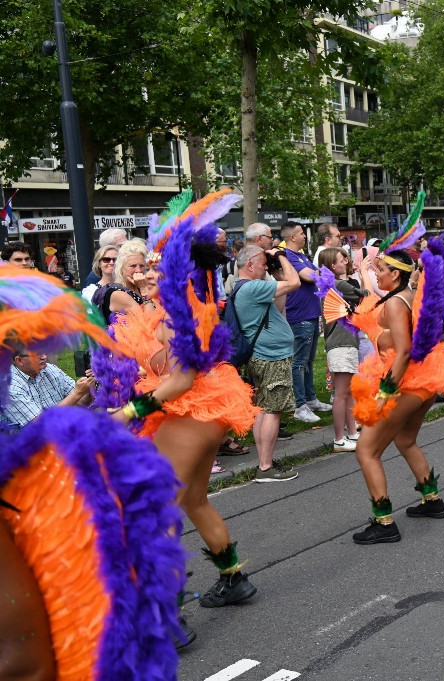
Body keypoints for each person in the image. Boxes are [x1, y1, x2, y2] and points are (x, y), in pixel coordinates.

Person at [0, 264, 185, 674]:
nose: (42, 352)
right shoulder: (12, 385)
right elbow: (44, 430)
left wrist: (119, 398)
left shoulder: (41, 370)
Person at [109, 189, 263, 618]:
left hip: (193, 407)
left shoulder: (180, 311)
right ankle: (233, 577)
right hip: (209, 407)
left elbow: (180, 379)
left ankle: (166, 614)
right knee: (194, 499)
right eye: (146, 267)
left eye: (157, 265)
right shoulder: (182, 303)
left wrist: (130, 410)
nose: (147, 272)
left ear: (178, 267)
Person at [349, 209, 444, 545]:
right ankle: (432, 500)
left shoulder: (395, 304)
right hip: (426, 382)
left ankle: (384, 522)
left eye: (380, 269)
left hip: (406, 384)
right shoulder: (407, 297)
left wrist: (385, 390)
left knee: (366, 450)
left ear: (395, 273)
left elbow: (405, 351)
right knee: (405, 440)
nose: (377, 274)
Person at [234, 244, 301, 481]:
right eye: (262, 263)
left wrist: (275, 272)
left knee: (263, 409)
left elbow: (281, 301)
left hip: (263, 355)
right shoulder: (252, 287)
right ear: (249, 264)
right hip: (271, 357)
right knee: (274, 410)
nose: (265, 266)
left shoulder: (246, 287)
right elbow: (295, 282)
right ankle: (265, 467)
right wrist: (282, 256)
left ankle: (265, 460)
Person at [281, 222, 332, 423]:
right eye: (302, 233)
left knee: (309, 362)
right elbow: (309, 276)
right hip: (299, 317)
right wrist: (324, 275)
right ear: (292, 237)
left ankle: (310, 399)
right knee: (299, 363)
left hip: (310, 315)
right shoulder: (289, 256)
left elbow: (316, 273)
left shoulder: (302, 255)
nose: (305, 236)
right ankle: (299, 405)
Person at [319, 246, 367, 451]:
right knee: (341, 394)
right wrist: (363, 271)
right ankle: (339, 438)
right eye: (342, 259)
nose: (346, 262)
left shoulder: (334, 283)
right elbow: (365, 294)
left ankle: (352, 432)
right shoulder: (337, 284)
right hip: (341, 344)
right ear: (332, 265)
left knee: (346, 393)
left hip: (345, 342)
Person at [0, 344, 94, 429]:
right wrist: (77, 393)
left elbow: (81, 403)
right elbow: (40, 425)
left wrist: (90, 387)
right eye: (38, 354)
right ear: (19, 360)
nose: (44, 357)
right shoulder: (10, 386)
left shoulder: (50, 369)